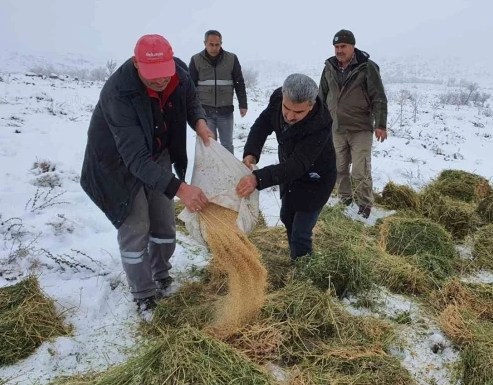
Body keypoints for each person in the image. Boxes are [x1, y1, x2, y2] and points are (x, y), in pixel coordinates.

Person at [80, 34, 214, 312]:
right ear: (135, 63)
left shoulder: (179, 72)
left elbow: (190, 102)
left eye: (164, 75)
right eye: (152, 77)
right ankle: (143, 293)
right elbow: (135, 159)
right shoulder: (118, 92)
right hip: (117, 163)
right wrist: (181, 188)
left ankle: (161, 273)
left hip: (157, 151)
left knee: (164, 221)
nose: (160, 81)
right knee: (137, 224)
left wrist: (200, 123)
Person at [236, 74, 336, 261]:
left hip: (316, 178)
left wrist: (257, 178)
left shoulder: (320, 123)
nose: (289, 116)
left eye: (298, 113)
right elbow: (261, 126)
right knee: (287, 217)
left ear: (311, 105)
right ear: (283, 96)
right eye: (286, 108)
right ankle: (295, 257)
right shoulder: (277, 100)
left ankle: (303, 271)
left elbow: (298, 165)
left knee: (301, 232)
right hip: (288, 173)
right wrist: (251, 153)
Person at [318, 29, 388, 219]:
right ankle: (345, 199)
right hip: (336, 128)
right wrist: (317, 122)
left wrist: (380, 124)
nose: (339, 50)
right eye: (336, 47)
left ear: (352, 46)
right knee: (339, 168)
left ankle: (364, 204)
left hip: (360, 129)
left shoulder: (367, 67)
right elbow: (321, 97)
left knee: (359, 170)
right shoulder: (329, 67)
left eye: (343, 46)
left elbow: (378, 97)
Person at [188, 29, 248, 154]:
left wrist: (243, 104)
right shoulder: (195, 60)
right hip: (205, 112)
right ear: (205, 43)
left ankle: (229, 171)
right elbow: (190, 87)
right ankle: (211, 172)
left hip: (225, 111)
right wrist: (191, 110)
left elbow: (239, 82)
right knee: (209, 144)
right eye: (211, 44)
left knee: (227, 145)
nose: (214, 48)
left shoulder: (231, 59)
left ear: (221, 43)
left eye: (217, 44)